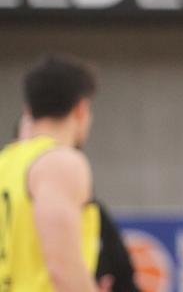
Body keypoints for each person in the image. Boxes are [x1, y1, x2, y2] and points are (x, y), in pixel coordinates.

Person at [0, 54, 110, 292]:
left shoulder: (6, 162)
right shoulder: (60, 164)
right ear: (81, 108)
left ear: (28, 110)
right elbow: (62, 270)